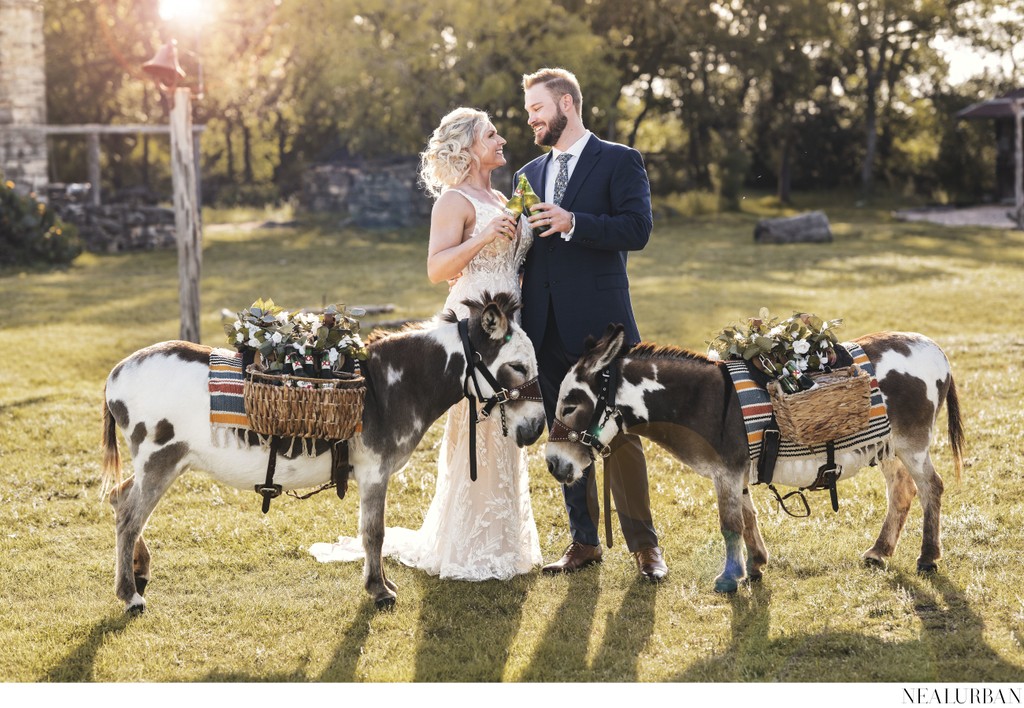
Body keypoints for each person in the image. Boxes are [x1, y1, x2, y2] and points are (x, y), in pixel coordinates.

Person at [310, 107, 542, 580]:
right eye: (491, 135)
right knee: (477, 426)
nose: (502, 141)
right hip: (472, 324)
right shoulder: (453, 202)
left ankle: (503, 542)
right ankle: (467, 546)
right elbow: (437, 269)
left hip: (509, 320)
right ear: (468, 148)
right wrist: (482, 240)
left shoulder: (502, 196)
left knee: (507, 424)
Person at [515, 68, 667, 581]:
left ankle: (644, 547)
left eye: (537, 108)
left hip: (603, 330)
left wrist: (574, 222)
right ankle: (583, 541)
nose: (530, 118)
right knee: (564, 435)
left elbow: (638, 229)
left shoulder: (619, 160)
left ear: (566, 103)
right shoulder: (530, 174)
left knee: (619, 432)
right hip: (546, 329)